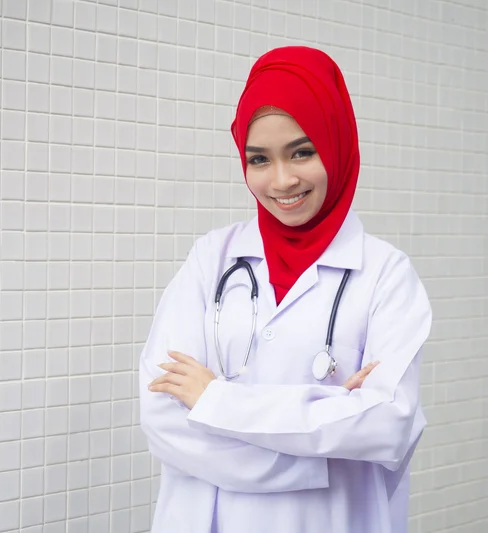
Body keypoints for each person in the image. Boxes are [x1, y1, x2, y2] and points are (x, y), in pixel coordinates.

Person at [139, 46, 431, 533]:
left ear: (336, 144)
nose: (282, 180)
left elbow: (388, 425)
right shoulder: (211, 259)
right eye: (260, 159)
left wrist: (215, 399)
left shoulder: (386, 274)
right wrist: (325, 449)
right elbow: (162, 417)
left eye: (302, 151)